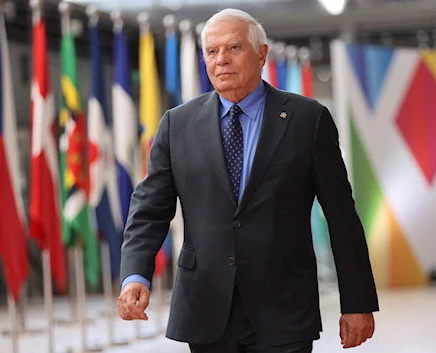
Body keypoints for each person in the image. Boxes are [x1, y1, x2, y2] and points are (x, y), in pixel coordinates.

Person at [118, 8, 378, 353]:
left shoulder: (307, 120)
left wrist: (357, 300)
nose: (221, 60)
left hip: (284, 306)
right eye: (212, 51)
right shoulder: (176, 124)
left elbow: (342, 215)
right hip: (206, 307)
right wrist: (135, 275)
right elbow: (149, 209)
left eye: (233, 48)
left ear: (261, 55)